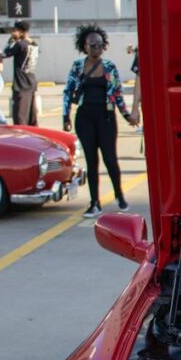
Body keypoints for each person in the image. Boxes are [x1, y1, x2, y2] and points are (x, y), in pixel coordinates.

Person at [62, 24, 136, 218]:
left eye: (100, 45)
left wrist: (126, 115)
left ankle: (119, 195)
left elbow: (117, 93)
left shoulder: (110, 66)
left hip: (106, 117)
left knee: (110, 159)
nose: (97, 48)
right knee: (91, 160)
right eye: (93, 45)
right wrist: (65, 116)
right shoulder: (77, 66)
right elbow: (68, 92)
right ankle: (95, 202)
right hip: (85, 117)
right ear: (84, 46)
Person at [4, 20, 39, 125]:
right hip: (31, 81)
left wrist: (11, 41)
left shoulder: (20, 44)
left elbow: (5, 53)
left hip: (21, 83)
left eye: (15, 30)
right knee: (31, 115)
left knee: (20, 116)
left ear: (20, 31)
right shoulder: (34, 44)